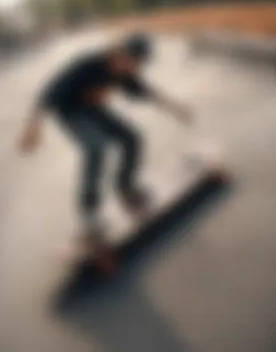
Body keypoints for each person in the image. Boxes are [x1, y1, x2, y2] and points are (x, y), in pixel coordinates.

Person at [19, 34, 194, 252]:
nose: (134, 70)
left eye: (139, 66)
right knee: (96, 148)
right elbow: (49, 91)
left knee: (133, 138)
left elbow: (148, 92)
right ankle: (89, 216)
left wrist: (176, 108)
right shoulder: (87, 64)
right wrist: (33, 126)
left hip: (93, 109)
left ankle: (126, 188)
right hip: (71, 112)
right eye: (133, 63)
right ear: (119, 54)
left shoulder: (126, 72)